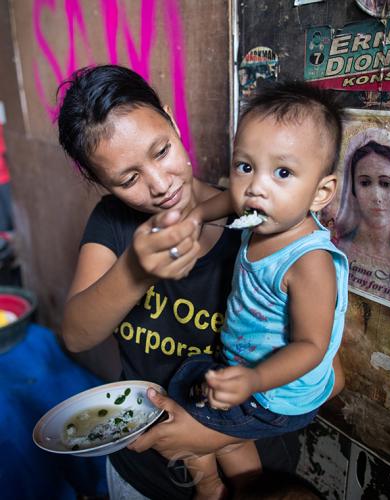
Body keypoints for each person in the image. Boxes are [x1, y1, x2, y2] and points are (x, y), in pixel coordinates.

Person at [57, 65, 342, 500]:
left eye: (162, 150)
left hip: (259, 467)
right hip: (143, 476)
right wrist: (137, 268)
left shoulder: (264, 223)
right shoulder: (112, 225)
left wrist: (206, 436)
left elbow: (330, 372)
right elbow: (77, 335)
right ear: (101, 185)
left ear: (173, 122)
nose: (159, 184)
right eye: (128, 179)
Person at [165, 81, 349, 498]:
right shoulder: (265, 211)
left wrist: (253, 379)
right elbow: (229, 202)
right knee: (216, 404)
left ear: (321, 192)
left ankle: (210, 485)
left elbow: (310, 346)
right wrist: (195, 217)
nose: (256, 187)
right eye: (245, 166)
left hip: (278, 391)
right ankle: (247, 485)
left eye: (282, 172)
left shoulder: (308, 262)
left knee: (183, 399)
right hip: (247, 370)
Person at [330, 130, 390, 309]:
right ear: (352, 190)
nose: (377, 196)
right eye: (365, 183)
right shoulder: (332, 250)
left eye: (385, 184)